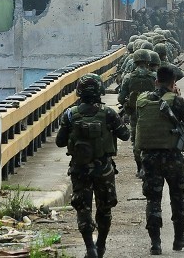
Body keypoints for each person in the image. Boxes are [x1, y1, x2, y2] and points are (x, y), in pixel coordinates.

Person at [56, 74, 130, 258]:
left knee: (83, 208)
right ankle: (101, 246)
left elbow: (59, 141)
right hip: (103, 169)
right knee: (104, 208)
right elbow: (125, 135)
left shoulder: (71, 114)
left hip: (80, 169)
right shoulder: (108, 114)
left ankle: (90, 248)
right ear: (99, 90)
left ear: (79, 92)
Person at [135, 66, 184, 255]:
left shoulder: (142, 101)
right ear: (173, 83)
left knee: (153, 199)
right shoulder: (176, 101)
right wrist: (177, 96)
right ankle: (179, 239)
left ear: (156, 82)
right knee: (177, 197)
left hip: (149, 158)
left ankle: (155, 243)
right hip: (172, 158)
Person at [118, 49, 157, 177]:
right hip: (151, 113)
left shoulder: (128, 77)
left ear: (134, 61)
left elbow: (120, 98)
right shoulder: (154, 76)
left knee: (136, 140)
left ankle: (140, 168)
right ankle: (150, 166)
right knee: (151, 139)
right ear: (148, 61)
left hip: (135, 113)